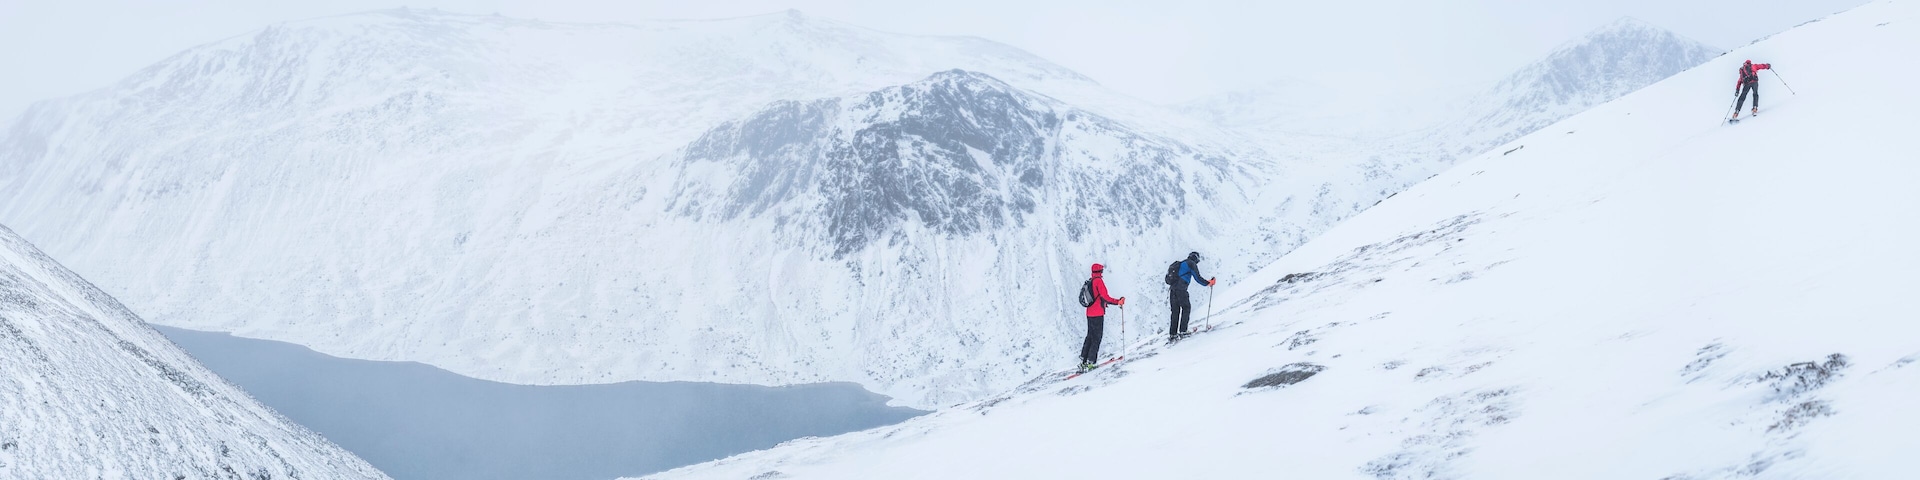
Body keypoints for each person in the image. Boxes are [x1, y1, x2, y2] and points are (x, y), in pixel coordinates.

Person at [1082, 263, 1125, 371]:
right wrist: (1118, 302)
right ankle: (1091, 362)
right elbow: (1105, 297)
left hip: (1089, 313)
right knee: (1096, 338)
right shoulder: (1098, 281)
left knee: (1090, 336)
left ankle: (1084, 361)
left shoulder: (1090, 281)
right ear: (1100, 271)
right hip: (1097, 314)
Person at [1168, 252, 1216, 342]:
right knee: (1186, 308)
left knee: (1175, 312)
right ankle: (1183, 331)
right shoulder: (1191, 264)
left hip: (1172, 291)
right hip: (1181, 291)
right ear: (1196, 259)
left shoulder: (1180, 264)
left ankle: (1172, 334)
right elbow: (1198, 278)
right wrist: (1209, 283)